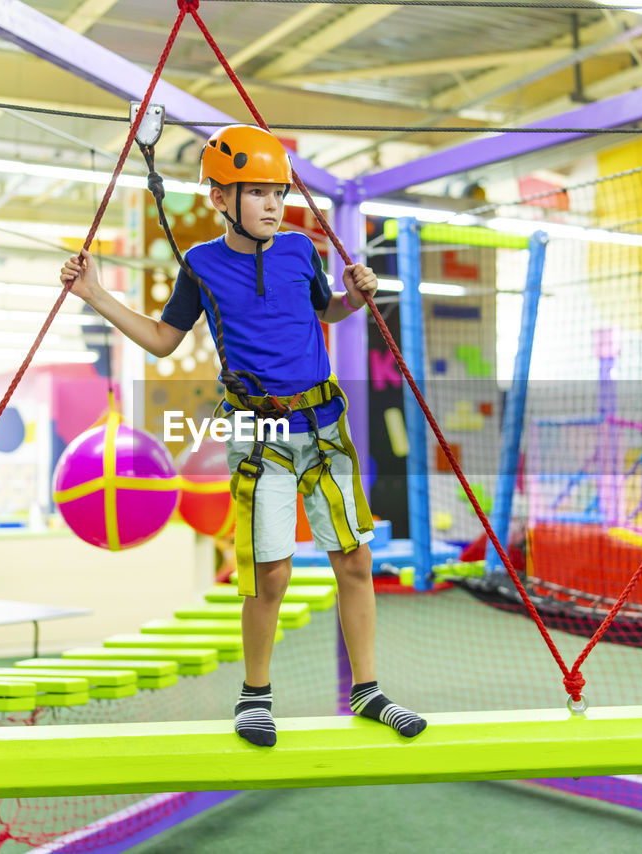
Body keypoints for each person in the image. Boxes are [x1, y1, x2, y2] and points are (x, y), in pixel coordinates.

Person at [60, 124, 426, 747]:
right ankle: (255, 696)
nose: (271, 204)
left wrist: (353, 298)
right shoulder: (200, 266)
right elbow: (162, 339)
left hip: (325, 423)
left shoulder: (300, 251)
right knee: (270, 572)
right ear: (220, 199)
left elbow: (324, 311)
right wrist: (94, 293)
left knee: (355, 558)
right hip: (259, 434)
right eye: (255, 192)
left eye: (277, 193)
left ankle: (367, 691)